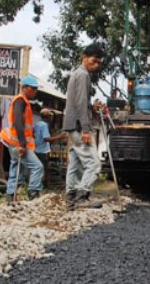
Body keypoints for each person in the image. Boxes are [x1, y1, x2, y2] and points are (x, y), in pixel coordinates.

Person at [63, 43, 106, 210]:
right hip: (79, 127)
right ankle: (82, 196)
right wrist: (86, 129)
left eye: (98, 63)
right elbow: (80, 103)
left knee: (75, 163)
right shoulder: (82, 75)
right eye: (93, 61)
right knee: (94, 164)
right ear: (84, 57)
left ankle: (71, 198)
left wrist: (91, 108)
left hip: (72, 125)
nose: (95, 65)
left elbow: (80, 103)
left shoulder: (77, 74)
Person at [0, 75, 45, 202]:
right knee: (37, 167)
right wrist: (22, 144)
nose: (35, 91)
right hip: (18, 142)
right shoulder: (20, 101)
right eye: (33, 89)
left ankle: (10, 196)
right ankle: (33, 192)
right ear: (24, 88)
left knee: (16, 168)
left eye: (36, 89)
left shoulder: (23, 101)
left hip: (13, 142)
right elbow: (18, 122)